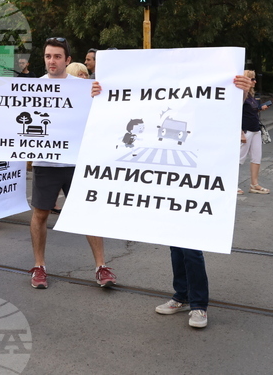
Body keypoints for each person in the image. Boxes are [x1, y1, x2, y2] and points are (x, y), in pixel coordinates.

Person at [90, 71, 253, 329]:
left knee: (191, 246)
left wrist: (241, 93)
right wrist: (102, 95)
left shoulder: (200, 99)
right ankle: (182, 295)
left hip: (196, 178)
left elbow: (224, 111)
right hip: (169, 181)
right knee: (175, 242)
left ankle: (198, 304)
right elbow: (130, 107)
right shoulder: (166, 101)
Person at [28, 38, 114, 290]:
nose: (51, 61)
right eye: (48, 56)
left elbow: (103, 112)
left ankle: (101, 266)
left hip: (77, 162)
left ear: (67, 60)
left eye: (57, 56)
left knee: (88, 212)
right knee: (40, 214)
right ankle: (39, 266)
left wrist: (99, 95)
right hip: (46, 164)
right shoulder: (32, 87)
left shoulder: (83, 87)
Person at [239, 69, 269, 195]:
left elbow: (251, 111)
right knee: (239, 158)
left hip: (256, 129)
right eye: (252, 79)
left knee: (257, 157)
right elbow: (236, 113)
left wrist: (260, 109)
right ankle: (231, 183)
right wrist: (240, 132)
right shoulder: (240, 95)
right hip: (246, 129)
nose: (255, 81)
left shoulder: (251, 95)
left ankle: (254, 184)